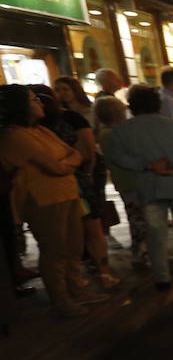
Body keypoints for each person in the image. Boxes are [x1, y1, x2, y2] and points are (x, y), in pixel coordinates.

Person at [0, 85, 100, 317]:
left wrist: (65, 163)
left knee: (75, 247)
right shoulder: (14, 135)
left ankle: (77, 290)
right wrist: (65, 163)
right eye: (34, 100)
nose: (41, 103)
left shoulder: (41, 131)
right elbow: (54, 166)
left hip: (68, 193)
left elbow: (75, 153)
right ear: (21, 106)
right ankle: (61, 300)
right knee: (55, 251)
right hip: (43, 200)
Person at [101, 85, 173, 291]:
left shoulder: (123, 131)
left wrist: (146, 165)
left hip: (149, 186)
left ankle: (162, 276)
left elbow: (116, 155)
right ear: (158, 105)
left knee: (156, 233)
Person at [51, 77, 117, 288]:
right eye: (58, 89)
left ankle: (98, 268)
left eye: (65, 88)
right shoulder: (53, 119)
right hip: (72, 174)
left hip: (85, 169)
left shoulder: (83, 112)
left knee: (91, 216)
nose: (62, 93)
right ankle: (89, 266)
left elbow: (90, 145)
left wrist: (87, 168)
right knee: (82, 222)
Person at [94, 96, 148, 269]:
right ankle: (140, 254)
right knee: (138, 218)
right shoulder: (113, 134)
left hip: (124, 181)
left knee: (137, 217)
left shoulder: (105, 133)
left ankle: (142, 252)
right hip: (131, 180)